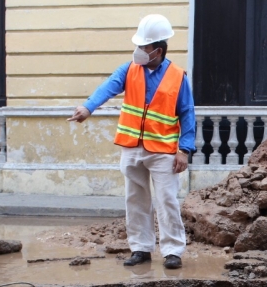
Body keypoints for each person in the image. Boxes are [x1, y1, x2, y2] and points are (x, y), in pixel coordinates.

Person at [68, 14, 195, 270]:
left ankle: (173, 251)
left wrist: (184, 150)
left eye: (143, 47)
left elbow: (187, 113)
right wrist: (88, 107)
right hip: (132, 146)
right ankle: (141, 248)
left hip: (162, 149)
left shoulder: (178, 76)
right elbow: (107, 87)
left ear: (157, 50)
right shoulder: (129, 69)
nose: (138, 51)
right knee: (135, 199)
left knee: (167, 200)